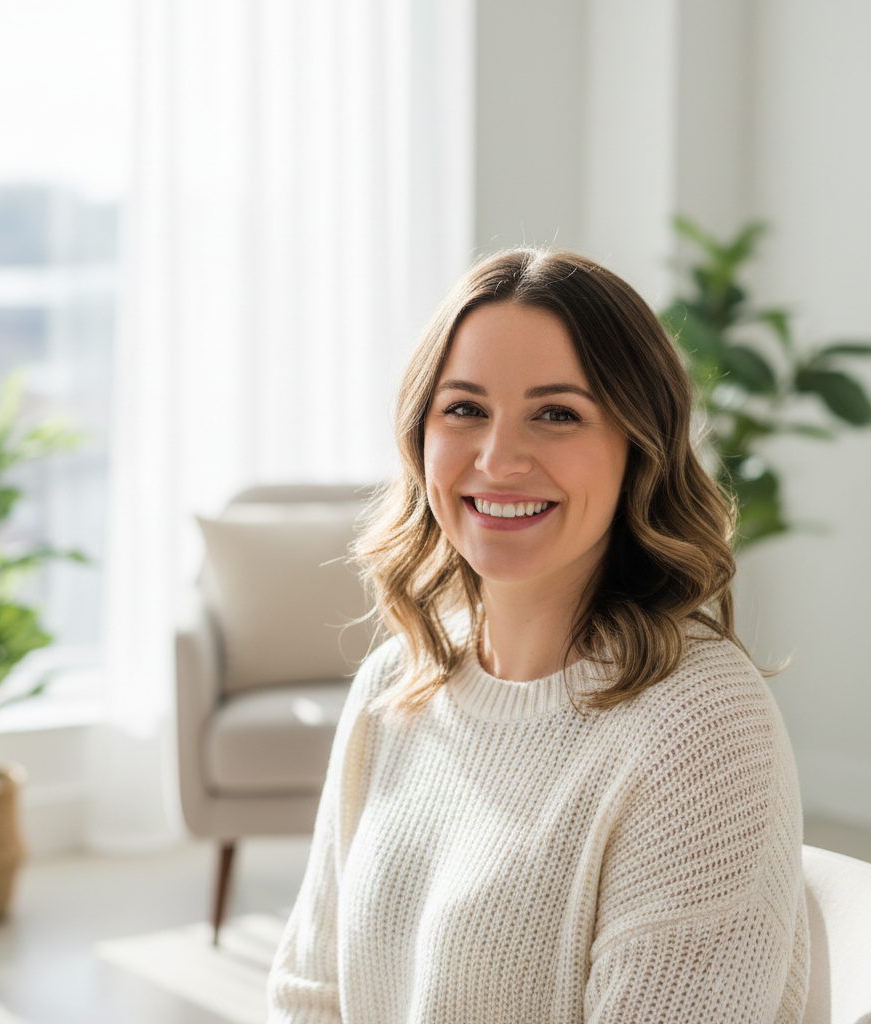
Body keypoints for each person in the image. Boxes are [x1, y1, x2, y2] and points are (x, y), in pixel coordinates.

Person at [267, 249, 809, 1023]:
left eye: (557, 414)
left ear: (638, 447)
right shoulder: (395, 684)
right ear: (420, 436)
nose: (499, 458)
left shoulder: (703, 727)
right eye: (464, 409)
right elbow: (311, 998)